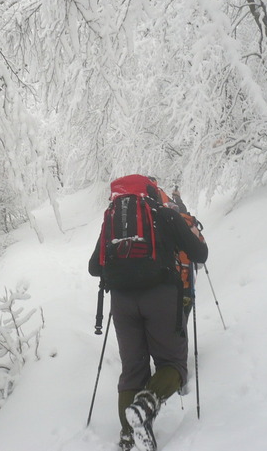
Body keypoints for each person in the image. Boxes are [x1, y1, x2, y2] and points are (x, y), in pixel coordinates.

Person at [89, 176, 208, 451]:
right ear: (153, 192)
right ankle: (147, 404)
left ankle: (129, 437)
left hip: (122, 303)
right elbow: (199, 254)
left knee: (132, 371)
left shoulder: (111, 221)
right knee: (173, 364)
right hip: (162, 298)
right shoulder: (164, 215)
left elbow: (94, 267)